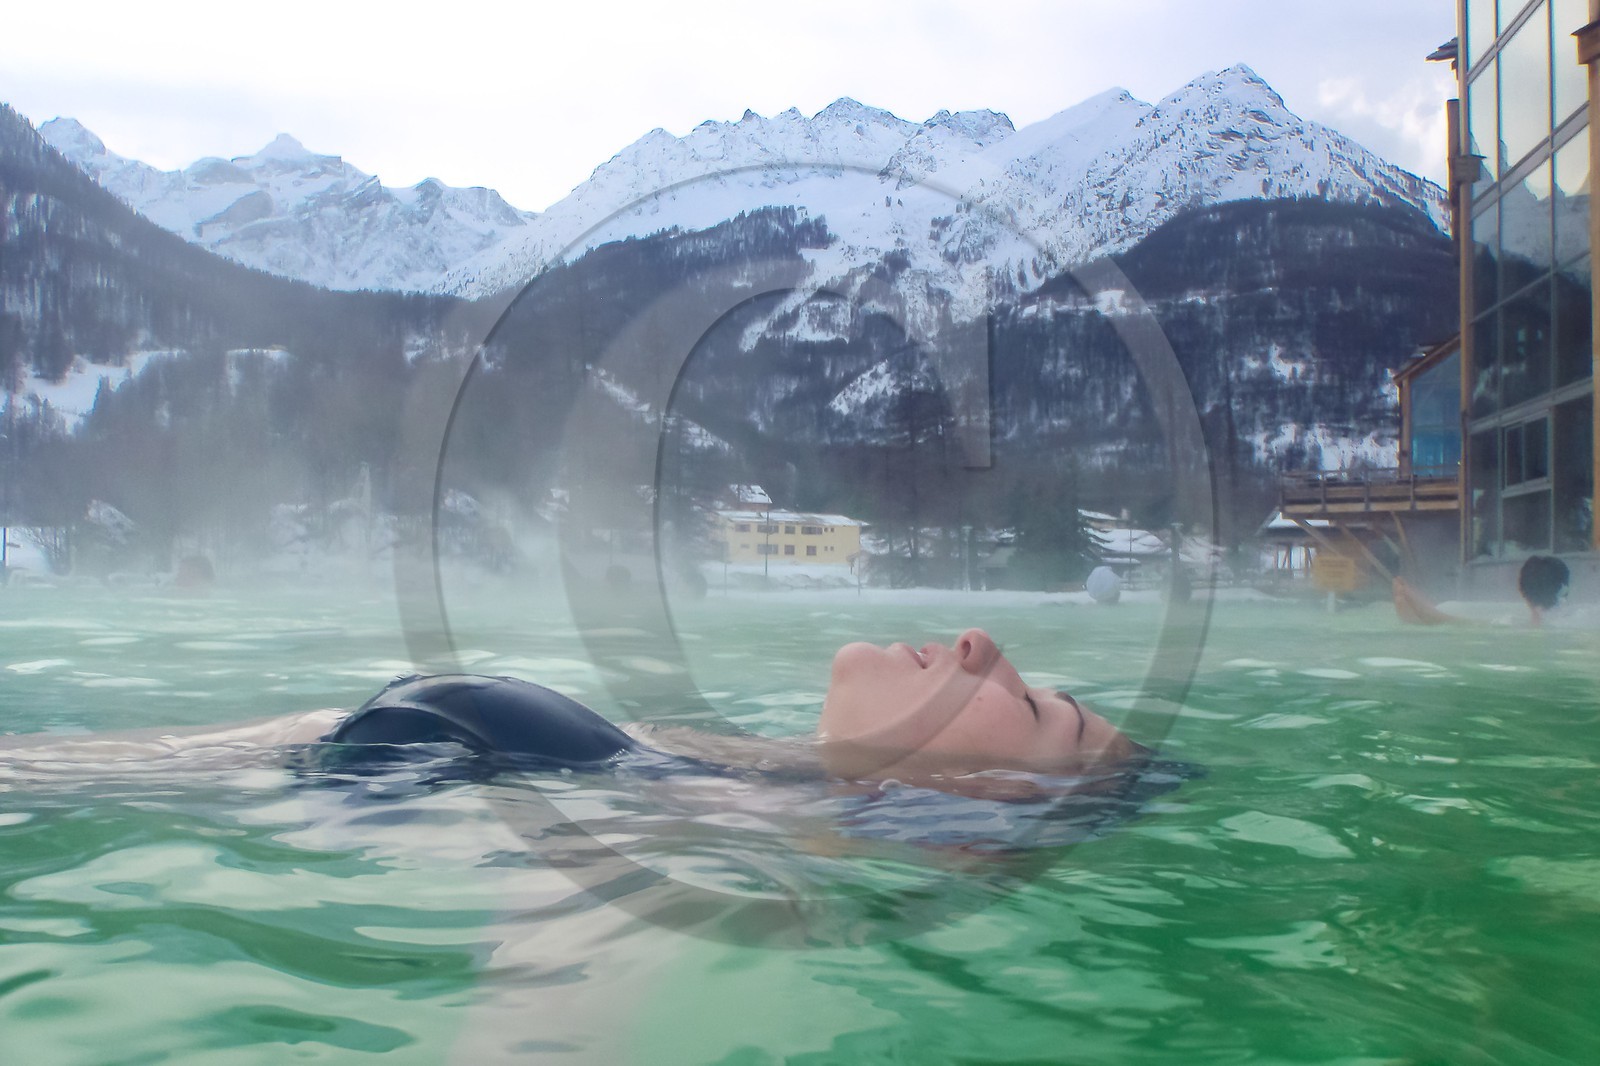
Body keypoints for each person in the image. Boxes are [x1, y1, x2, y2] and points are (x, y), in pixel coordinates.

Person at [1, 629, 1142, 796]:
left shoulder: (742, 850)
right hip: (365, 762)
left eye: (1043, 708)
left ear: (991, 805)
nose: (988, 648)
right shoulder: (747, 773)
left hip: (377, 793)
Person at [1393, 555, 1572, 627]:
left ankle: (1423, 615)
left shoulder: (1513, 624)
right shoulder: (1568, 620)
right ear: (1564, 589)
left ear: (1522, 591)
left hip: (1525, 629)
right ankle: (1424, 614)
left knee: (1456, 623)